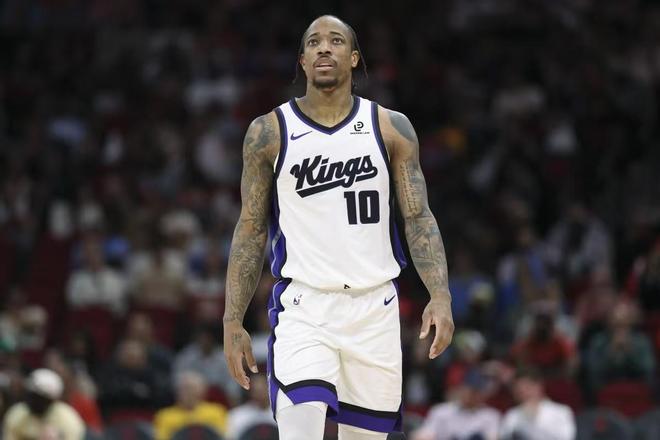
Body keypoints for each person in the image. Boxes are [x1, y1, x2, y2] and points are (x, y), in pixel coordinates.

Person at [223, 14, 454, 440]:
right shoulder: (269, 132)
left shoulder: (391, 127)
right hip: (305, 306)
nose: (324, 48)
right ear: (302, 61)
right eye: (313, 42)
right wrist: (232, 320)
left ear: (354, 58)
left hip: (375, 309)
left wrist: (440, 295)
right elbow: (251, 229)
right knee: (300, 429)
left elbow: (418, 217)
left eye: (335, 41)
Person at [411, 369, 500, 440]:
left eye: (475, 391)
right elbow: (422, 435)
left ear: (482, 393)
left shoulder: (491, 416)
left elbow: (493, 437)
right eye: (467, 390)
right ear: (460, 389)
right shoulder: (441, 411)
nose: (470, 395)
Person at [2, 368, 85, 440]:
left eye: (38, 397)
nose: (32, 400)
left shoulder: (67, 419)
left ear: (52, 400)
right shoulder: (17, 414)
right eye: (30, 394)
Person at [499, 369, 575, 440]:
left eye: (527, 388)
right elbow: (505, 436)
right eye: (519, 391)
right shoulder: (512, 414)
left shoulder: (561, 411)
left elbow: (567, 437)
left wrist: (532, 420)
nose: (524, 394)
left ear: (538, 386)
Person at [153, 370, 228, 440]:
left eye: (191, 388)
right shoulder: (164, 416)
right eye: (182, 389)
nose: (187, 393)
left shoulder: (216, 412)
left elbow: (221, 436)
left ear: (202, 391)